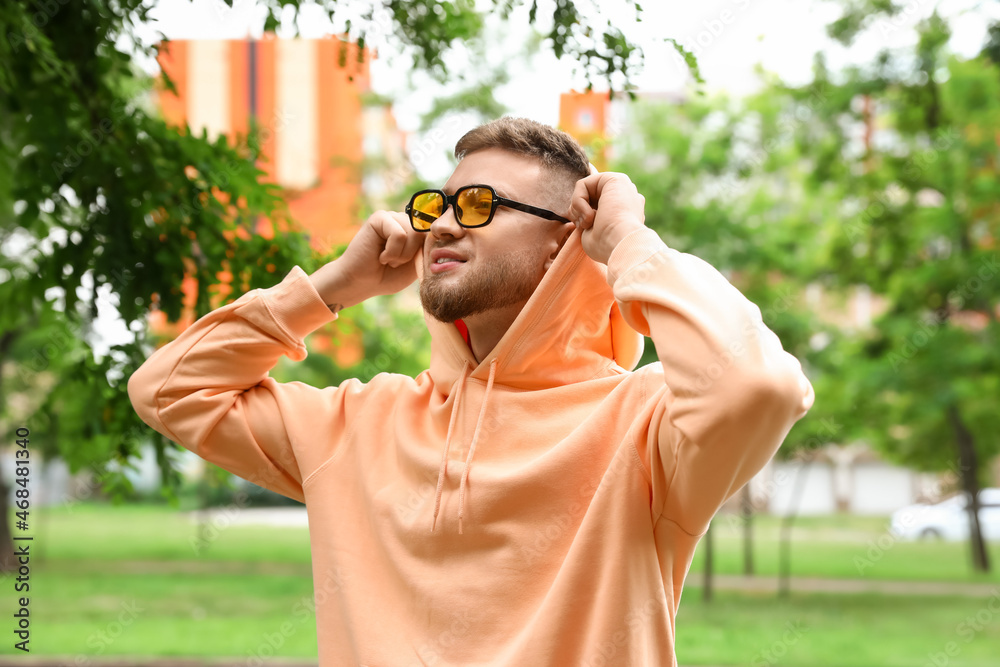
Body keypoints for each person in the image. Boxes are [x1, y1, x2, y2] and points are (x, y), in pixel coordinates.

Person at [128, 116, 814, 666]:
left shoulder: (644, 428)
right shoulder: (360, 421)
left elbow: (756, 388)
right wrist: (334, 287)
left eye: (480, 205)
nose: (444, 225)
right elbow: (168, 389)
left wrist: (630, 242)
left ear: (563, 242)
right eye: (439, 205)